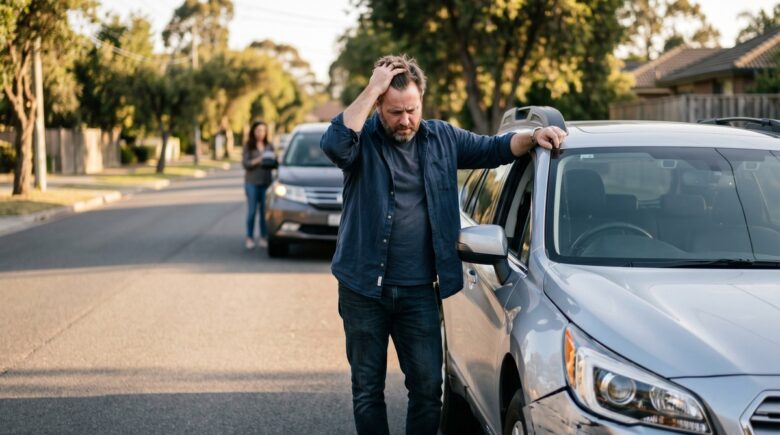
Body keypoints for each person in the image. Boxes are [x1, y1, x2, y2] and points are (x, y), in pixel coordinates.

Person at [320, 54, 566, 435]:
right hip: (362, 288)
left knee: (428, 389)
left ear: (422, 102)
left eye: (412, 110)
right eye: (395, 111)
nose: (405, 120)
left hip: (419, 291)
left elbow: (495, 148)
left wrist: (534, 137)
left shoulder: (443, 138)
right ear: (379, 107)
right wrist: (373, 87)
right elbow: (333, 144)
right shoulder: (361, 140)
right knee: (367, 390)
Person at [242, 120, 277, 250]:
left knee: (264, 212)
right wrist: (260, 159)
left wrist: (274, 159)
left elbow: (274, 163)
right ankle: (249, 237)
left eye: (263, 130)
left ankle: (263, 237)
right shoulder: (248, 146)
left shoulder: (269, 145)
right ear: (253, 131)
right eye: (258, 130)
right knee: (252, 211)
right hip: (252, 183)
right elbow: (246, 164)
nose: (260, 133)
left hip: (266, 183)